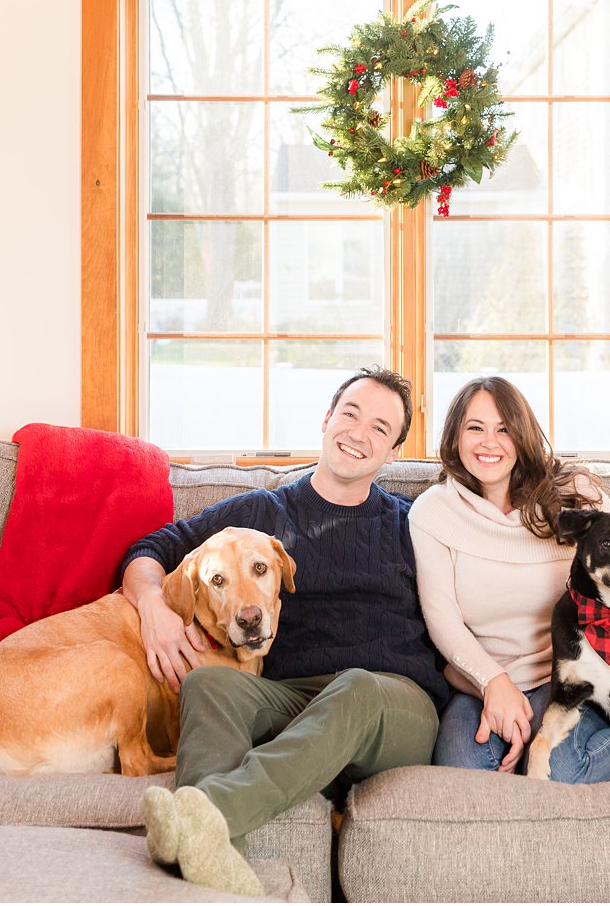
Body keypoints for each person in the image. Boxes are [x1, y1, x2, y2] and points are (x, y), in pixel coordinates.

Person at [119, 366, 445, 897]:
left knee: (357, 686)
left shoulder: (414, 525)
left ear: (394, 451)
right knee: (208, 683)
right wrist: (153, 604)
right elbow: (150, 550)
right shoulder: (259, 512)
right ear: (327, 419)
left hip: (390, 706)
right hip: (291, 698)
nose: (359, 433)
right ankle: (210, 874)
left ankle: (206, 815)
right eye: (351, 414)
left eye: (380, 429)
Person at [409, 376, 610, 781]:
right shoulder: (434, 511)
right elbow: (442, 619)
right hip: (477, 679)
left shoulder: (578, 495)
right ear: (454, 437)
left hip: (571, 673)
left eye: (504, 429)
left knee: (558, 770)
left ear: (523, 435)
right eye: (475, 428)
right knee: (462, 775)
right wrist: (493, 685)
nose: (490, 442)